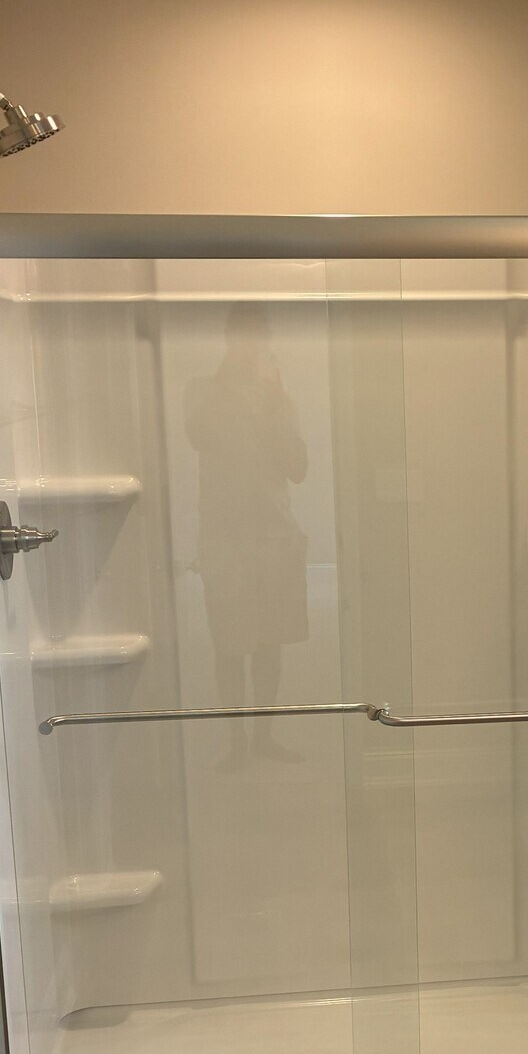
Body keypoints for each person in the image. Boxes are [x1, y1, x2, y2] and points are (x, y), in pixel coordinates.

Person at [183, 301, 310, 767]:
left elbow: (297, 468)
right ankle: (236, 743)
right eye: (246, 335)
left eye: (261, 335)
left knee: (269, 643)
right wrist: (236, 389)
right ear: (229, 338)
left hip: (275, 536)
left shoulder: (279, 400)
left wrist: (274, 404)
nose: (255, 345)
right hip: (226, 539)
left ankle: (263, 738)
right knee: (230, 644)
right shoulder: (201, 391)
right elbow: (200, 435)